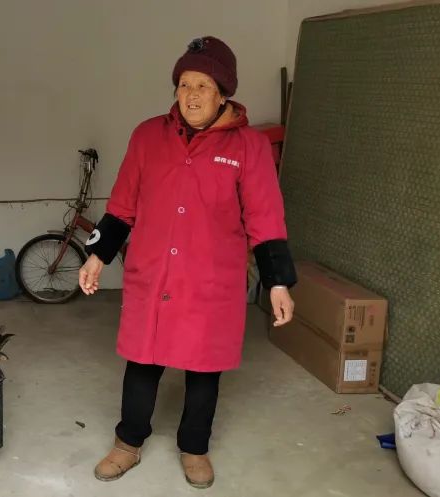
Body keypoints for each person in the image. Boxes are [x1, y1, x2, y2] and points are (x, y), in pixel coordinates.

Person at [79, 36, 297, 489]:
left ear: (223, 93)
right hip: (154, 272)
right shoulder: (147, 136)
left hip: (210, 280)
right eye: (184, 84)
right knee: (143, 361)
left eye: (202, 85)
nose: (191, 95)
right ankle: (128, 442)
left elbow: (265, 217)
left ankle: (195, 448)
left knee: (203, 368)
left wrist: (278, 281)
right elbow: (122, 204)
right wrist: (97, 255)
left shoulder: (249, 146)